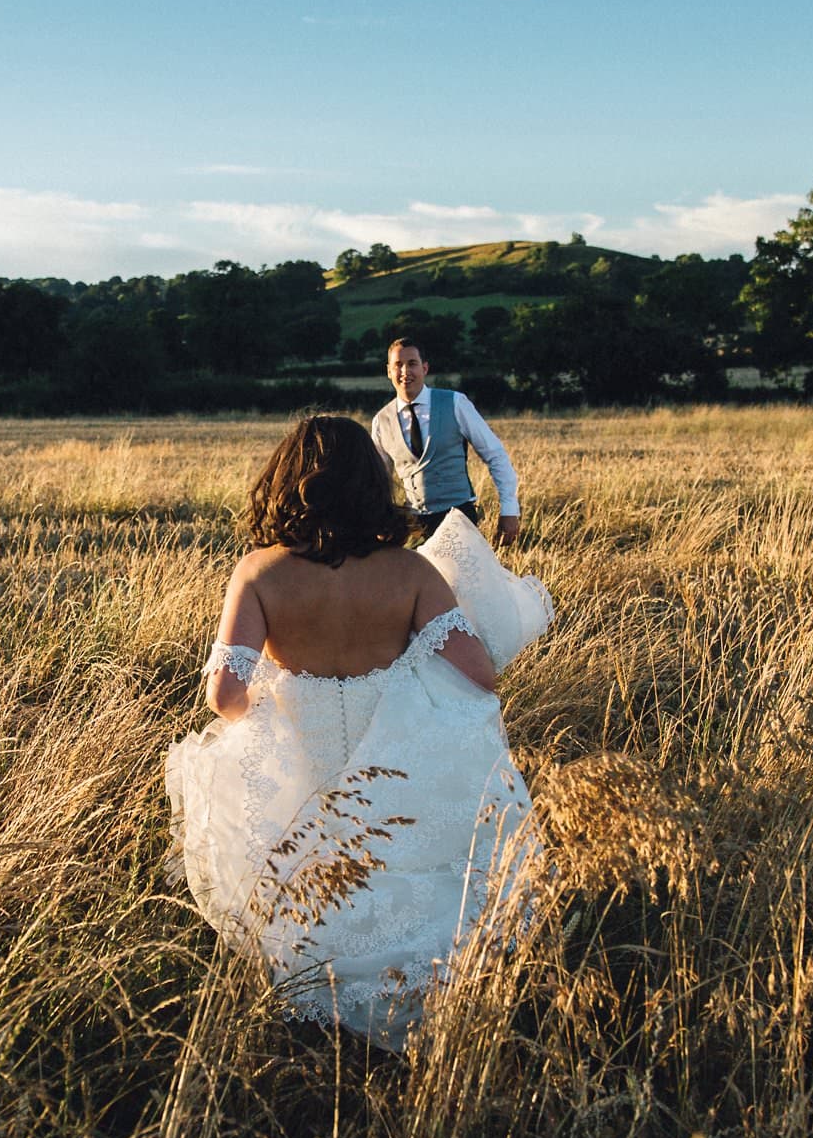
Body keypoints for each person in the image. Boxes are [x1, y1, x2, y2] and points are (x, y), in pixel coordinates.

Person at [165, 416, 541, 1050]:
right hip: (390, 766)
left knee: (304, 886)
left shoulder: (258, 573)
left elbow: (224, 694)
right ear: (373, 482)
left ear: (286, 482)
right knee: (401, 879)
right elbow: (480, 674)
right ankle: (424, 1012)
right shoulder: (411, 573)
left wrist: (280, 712)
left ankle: (314, 1016)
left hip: (300, 763)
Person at [370, 338, 522, 545]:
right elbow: (377, 480)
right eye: (398, 365)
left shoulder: (455, 403)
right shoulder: (382, 420)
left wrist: (509, 510)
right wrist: (377, 519)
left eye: (412, 364)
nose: (405, 372)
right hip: (413, 525)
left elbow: (495, 455)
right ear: (389, 371)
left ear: (425, 368)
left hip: (458, 518)